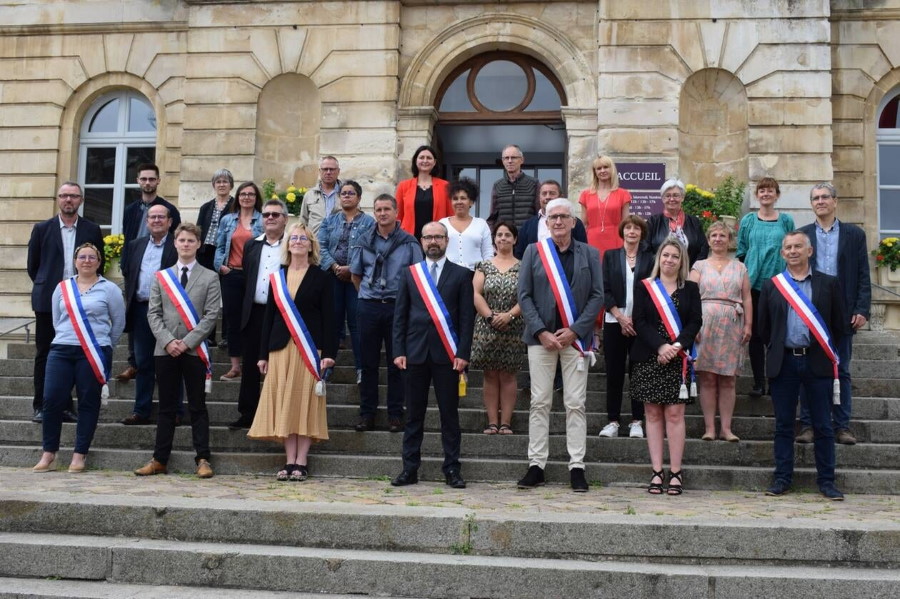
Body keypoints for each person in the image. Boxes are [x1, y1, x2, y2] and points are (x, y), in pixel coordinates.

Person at [516, 198, 603, 492]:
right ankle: (536, 465)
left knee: (575, 403)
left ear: (573, 222)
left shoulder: (590, 254)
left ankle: (576, 466)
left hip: (574, 341)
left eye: (563, 217)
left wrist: (576, 331)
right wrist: (540, 331)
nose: (558, 222)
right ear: (546, 221)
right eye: (552, 217)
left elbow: (597, 296)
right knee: (539, 401)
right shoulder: (533, 251)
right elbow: (524, 295)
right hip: (541, 339)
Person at [759, 231, 845, 500]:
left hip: (817, 361)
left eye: (798, 246)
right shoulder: (772, 285)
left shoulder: (828, 284)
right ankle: (782, 478)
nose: (793, 251)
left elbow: (839, 326)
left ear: (810, 251)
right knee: (784, 425)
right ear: (782, 253)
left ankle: (827, 481)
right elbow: (764, 328)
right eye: (788, 247)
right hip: (783, 362)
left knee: (823, 425)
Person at [390, 222, 475, 488]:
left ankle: (452, 469)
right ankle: (409, 469)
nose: (433, 241)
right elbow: (400, 315)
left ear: (447, 241)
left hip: (448, 356)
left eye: (438, 236)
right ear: (421, 241)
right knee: (413, 415)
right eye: (428, 237)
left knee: (449, 416)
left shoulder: (462, 275)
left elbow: (466, 319)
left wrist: (463, 353)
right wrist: (398, 350)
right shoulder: (410, 274)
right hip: (414, 354)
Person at [249, 223, 336, 482]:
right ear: (287, 245)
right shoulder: (278, 275)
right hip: (280, 348)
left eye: (303, 238)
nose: (298, 241)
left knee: (305, 403)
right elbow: (269, 318)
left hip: (310, 350)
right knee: (285, 402)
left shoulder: (322, 277)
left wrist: (329, 353)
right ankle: (289, 460)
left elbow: (330, 318)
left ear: (311, 245)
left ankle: (302, 460)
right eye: (293, 238)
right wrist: (262, 354)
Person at [134, 222, 221, 479]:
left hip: (194, 351)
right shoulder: (161, 277)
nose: (186, 245)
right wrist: (168, 341)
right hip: (166, 350)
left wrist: (187, 342)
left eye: (190, 241)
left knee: (197, 406)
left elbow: (212, 314)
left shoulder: (210, 276)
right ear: (175, 243)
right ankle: (159, 459)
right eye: (182, 240)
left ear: (198, 244)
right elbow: (153, 313)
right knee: (166, 408)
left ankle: (203, 459)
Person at [31, 243, 125, 473]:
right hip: (62, 350)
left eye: (92, 257)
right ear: (75, 261)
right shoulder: (62, 287)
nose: (86, 261)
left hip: (93, 352)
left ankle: (79, 454)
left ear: (99, 261)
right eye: (82, 257)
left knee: (88, 402)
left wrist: (104, 345)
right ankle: (49, 452)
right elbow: (57, 320)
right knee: (52, 400)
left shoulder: (109, 289)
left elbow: (118, 322)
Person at [796, 183, 871, 446]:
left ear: (835, 201)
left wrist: (862, 308)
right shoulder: (802, 234)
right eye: (815, 198)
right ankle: (808, 425)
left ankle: (842, 426)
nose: (820, 201)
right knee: (807, 370)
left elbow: (863, 273)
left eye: (825, 197)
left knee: (842, 369)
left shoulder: (854, 235)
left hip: (844, 311)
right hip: (811, 310)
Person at [27, 181, 104, 424]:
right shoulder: (42, 228)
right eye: (63, 196)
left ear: (80, 200)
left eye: (73, 196)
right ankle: (41, 406)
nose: (68, 200)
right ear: (58, 200)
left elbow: (98, 261)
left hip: (82, 302)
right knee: (45, 354)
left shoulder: (92, 229)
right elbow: (34, 266)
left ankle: (66, 407)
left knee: (74, 354)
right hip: (49, 302)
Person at [631, 238, 702, 495]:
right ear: (658, 258)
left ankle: (675, 472)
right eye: (665, 255)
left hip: (678, 358)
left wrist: (676, 347)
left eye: (675, 256)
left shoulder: (691, 289)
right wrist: (661, 347)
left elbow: (695, 321)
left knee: (674, 414)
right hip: (649, 355)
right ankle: (657, 471)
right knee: (652, 414)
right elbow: (639, 321)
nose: (669, 260)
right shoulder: (644, 287)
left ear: (681, 261)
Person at [350, 194, 423, 432]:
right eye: (378, 209)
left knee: (397, 363)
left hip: (397, 307)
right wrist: (368, 296)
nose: (382, 213)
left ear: (396, 212)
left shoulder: (409, 242)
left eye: (386, 209)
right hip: (369, 306)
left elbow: (417, 276)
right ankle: (367, 413)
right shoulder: (364, 240)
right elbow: (355, 274)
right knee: (368, 363)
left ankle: (395, 414)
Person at [116, 163, 181, 382]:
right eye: (143, 179)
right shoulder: (131, 209)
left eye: (151, 179)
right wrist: (126, 266)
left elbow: (178, 242)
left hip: (162, 275)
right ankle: (134, 363)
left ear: (158, 181)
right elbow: (127, 239)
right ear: (138, 181)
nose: (147, 183)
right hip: (136, 268)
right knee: (135, 323)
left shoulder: (169, 209)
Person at [227, 199, 289, 431]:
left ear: (285, 219)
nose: (270, 218)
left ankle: (277, 415)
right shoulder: (252, 245)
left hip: (281, 314)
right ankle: (247, 413)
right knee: (252, 365)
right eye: (266, 215)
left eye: (275, 214)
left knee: (278, 365)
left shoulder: (291, 245)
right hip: (254, 311)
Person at [689, 221, 752, 442]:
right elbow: (689, 298)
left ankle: (726, 428)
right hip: (704, 324)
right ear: (708, 240)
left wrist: (748, 325)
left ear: (729, 240)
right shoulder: (699, 266)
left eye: (722, 235)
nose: (718, 239)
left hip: (731, 325)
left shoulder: (740, 267)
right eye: (714, 235)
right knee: (706, 377)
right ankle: (709, 428)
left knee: (728, 379)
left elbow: (747, 297)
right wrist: (691, 327)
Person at [119, 204, 179, 425]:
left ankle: (174, 411)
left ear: (169, 221)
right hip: (141, 310)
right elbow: (129, 273)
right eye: (152, 217)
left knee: (172, 361)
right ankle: (141, 411)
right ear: (146, 222)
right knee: (143, 362)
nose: (156, 220)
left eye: (161, 217)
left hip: (170, 312)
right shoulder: (135, 245)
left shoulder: (178, 244)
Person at [736, 177, 794, 397]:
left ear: (777, 195)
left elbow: (791, 248)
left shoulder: (786, 221)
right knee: (756, 334)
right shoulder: (749, 220)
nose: (766, 194)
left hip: (779, 284)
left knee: (775, 333)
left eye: (770, 190)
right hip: (753, 285)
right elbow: (741, 250)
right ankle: (759, 382)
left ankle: (775, 379)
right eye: (762, 191)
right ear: (757, 195)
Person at [598, 215, 653, 439]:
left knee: (639, 373)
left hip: (640, 324)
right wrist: (621, 317)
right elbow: (604, 289)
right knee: (614, 372)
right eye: (628, 228)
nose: (632, 231)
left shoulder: (650, 258)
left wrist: (634, 320)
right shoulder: (610, 256)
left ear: (642, 233)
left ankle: (637, 421)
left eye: (636, 228)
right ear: (622, 232)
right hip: (614, 322)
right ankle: (612, 420)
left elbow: (652, 291)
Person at [318, 180, 375, 385]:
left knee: (356, 324)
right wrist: (334, 266)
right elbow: (320, 246)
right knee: (331, 324)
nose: (346, 196)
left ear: (359, 198)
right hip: (332, 277)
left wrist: (352, 269)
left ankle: (361, 368)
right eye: (343, 193)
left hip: (356, 280)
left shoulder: (369, 223)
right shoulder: (329, 221)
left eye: (351, 193)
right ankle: (327, 368)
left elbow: (371, 249)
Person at [471, 222, 525, 435]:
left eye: (508, 235)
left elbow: (526, 295)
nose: (503, 238)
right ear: (494, 239)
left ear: (515, 239)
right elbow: (476, 294)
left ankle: (506, 423)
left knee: (508, 375)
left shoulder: (523, 266)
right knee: (490, 374)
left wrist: (510, 315)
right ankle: (492, 422)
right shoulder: (483, 265)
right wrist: (491, 316)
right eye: (499, 235)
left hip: (514, 325)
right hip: (487, 325)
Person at [214, 181, 264, 380]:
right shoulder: (227, 220)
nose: (246, 197)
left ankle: (255, 363)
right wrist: (220, 266)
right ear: (238, 197)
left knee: (254, 319)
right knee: (233, 320)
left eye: (251, 194)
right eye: (243, 194)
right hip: (232, 274)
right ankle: (235, 366)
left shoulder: (262, 219)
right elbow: (218, 247)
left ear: (256, 198)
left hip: (254, 275)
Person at [196, 168, 235, 347]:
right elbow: (198, 230)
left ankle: (227, 335)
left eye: (225, 181)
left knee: (227, 296)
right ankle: (208, 335)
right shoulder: (206, 207)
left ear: (231, 185)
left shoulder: (236, 205)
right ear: (213, 185)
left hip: (227, 254)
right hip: (205, 254)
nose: (221, 185)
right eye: (218, 182)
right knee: (207, 295)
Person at [514, 180, 588, 259]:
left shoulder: (573, 222)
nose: (547, 197)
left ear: (561, 197)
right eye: (544, 193)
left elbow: (583, 252)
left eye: (552, 193)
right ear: (539, 197)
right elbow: (520, 255)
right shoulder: (528, 225)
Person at [578, 155, 631, 259]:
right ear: (595, 172)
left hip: (616, 239)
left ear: (612, 169)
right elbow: (582, 224)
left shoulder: (623, 194)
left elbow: (626, 223)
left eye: (606, 167)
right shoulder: (586, 194)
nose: (602, 171)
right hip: (591, 241)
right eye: (599, 168)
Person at [647, 179, 708, 267]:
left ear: (682, 198)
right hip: (660, 274)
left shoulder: (694, 222)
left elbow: (703, 249)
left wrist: (694, 270)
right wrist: (658, 268)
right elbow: (646, 249)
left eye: (676, 195)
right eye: (667, 196)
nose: (671, 199)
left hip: (689, 274)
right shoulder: (653, 221)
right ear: (663, 199)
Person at [396, 145, 452, 239]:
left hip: (436, 239)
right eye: (421, 157)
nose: (425, 161)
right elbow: (398, 215)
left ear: (434, 162)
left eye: (429, 158)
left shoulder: (445, 186)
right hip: (409, 238)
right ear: (416, 161)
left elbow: (451, 216)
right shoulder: (403, 186)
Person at [439, 177, 493, 270]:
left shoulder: (481, 224)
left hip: (475, 275)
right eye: (455, 199)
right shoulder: (442, 223)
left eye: (463, 198)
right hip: (448, 275)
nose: (459, 202)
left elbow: (488, 253)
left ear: (471, 202)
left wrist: (484, 274)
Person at [487, 144, 538, 229]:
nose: (510, 161)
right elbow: (492, 218)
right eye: (506, 158)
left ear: (522, 160)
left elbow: (539, 215)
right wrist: (494, 237)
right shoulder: (497, 185)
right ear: (503, 161)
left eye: (513, 157)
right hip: (504, 239)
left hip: (527, 238)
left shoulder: (534, 184)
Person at [299, 156, 342, 234]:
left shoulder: (346, 194)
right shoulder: (309, 195)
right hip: (315, 242)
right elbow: (303, 222)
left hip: (340, 244)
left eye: (332, 169)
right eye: (325, 169)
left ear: (338, 171)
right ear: (319, 171)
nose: (328, 172)